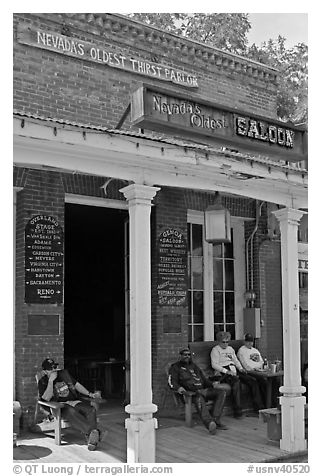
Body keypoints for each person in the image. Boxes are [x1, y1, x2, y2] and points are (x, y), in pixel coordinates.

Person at [38, 357, 102, 450]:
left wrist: (90, 394)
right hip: (59, 406)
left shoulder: (64, 375)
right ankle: (94, 433)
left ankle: (92, 438)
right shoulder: (43, 381)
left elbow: (77, 385)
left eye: (55, 367)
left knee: (91, 410)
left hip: (73, 401)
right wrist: (51, 381)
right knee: (71, 412)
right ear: (45, 371)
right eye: (51, 368)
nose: (54, 370)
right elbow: (45, 398)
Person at [168, 348, 228, 434]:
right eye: (185, 355)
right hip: (190, 394)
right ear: (180, 356)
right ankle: (209, 423)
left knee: (221, 392)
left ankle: (216, 419)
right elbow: (171, 382)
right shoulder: (175, 367)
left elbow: (204, 380)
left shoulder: (194, 366)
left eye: (189, 355)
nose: (187, 356)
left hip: (203, 390)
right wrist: (178, 388)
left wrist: (212, 384)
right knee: (198, 397)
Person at [211, 331, 264, 416]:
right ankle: (238, 410)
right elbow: (214, 364)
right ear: (219, 341)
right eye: (223, 342)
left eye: (227, 342)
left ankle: (259, 408)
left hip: (234, 370)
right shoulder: (215, 350)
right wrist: (226, 371)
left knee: (252, 380)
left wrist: (241, 368)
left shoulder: (230, 349)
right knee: (236, 382)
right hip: (223, 371)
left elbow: (236, 360)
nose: (225, 344)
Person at [237, 333, 279, 408]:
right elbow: (245, 365)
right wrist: (254, 369)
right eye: (248, 341)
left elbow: (262, 362)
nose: (250, 343)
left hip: (260, 371)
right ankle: (261, 406)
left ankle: (274, 403)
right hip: (251, 372)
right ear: (244, 341)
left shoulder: (255, 350)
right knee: (261, 382)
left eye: (251, 341)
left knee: (275, 381)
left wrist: (264, 368)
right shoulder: (241, 351)